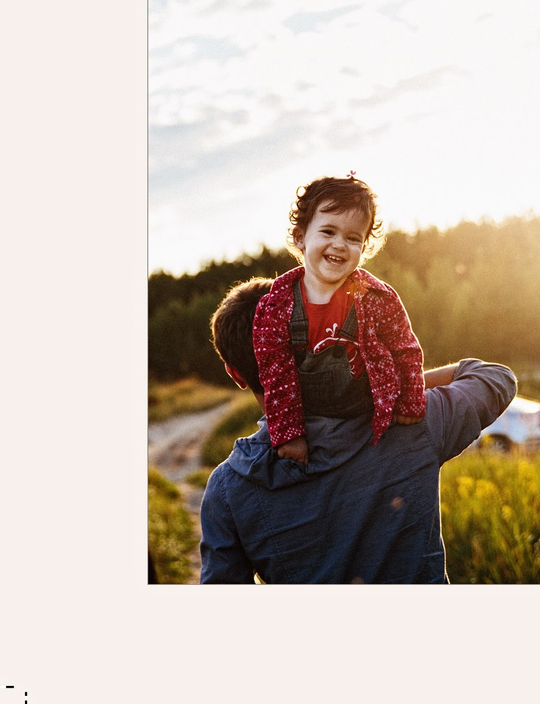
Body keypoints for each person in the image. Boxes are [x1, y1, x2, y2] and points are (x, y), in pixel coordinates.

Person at [200, 276, 516, 583]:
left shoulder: (228, 490)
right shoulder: (413, 424)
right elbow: (495, 378)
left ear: (236, 374)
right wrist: (385, 390)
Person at [251, 176, 428, 462]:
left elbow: (404, 351)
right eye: (329, 231)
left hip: (368, 414)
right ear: (300, 237)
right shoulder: (275, 307)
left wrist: (409, 402)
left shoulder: (377, 298)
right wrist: (291, 435)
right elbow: (277, 375)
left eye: (353, 238)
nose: (340, 245)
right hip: (310, 420)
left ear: (365, 246)